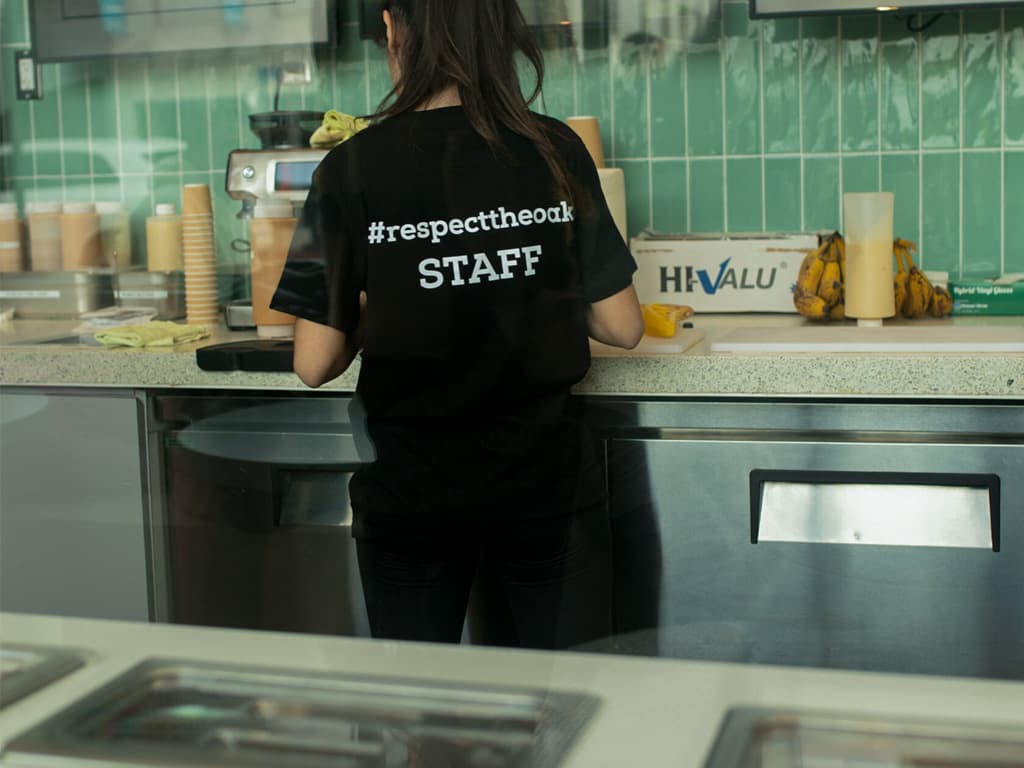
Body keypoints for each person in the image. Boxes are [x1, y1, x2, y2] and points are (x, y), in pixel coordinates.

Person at [271, 0, 643, 650]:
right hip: (545, 494)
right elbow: (622, 325)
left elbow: (313, 361)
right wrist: (527, 271)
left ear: (394, 30)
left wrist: (388, 293)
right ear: (501, 32)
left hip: (413, 502)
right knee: (560, 708)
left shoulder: (345, 169)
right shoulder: (555, 147)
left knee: (423, 715)